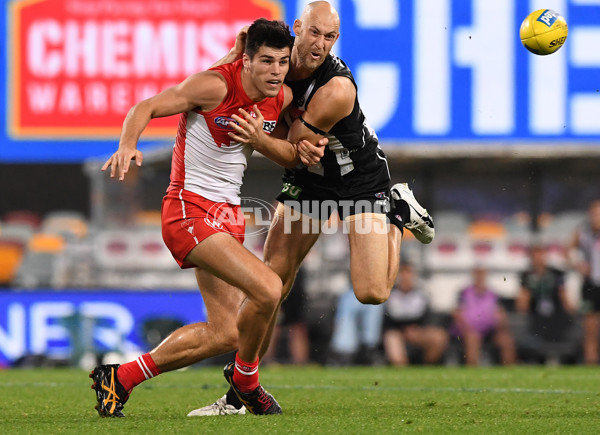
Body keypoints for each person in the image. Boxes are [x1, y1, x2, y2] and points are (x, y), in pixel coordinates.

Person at [190, 1, 435, 416]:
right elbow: (226, 85)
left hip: (359, 180)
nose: (321, 44)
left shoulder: (336, 88)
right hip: (310, 180)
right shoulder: (276, 60)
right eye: (316, 33)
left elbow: (292, 152)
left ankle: (396, 208)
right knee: (271, 286)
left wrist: (255, 134)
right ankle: (240, 393)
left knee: (371, 292)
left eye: (331, 37)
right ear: (298, 27)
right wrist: (234, 58)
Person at [89, 18, 320, 418]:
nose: (276, 71)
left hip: (227, 216)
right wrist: (128, 144)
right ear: (247, 60)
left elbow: (288, 156)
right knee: (269, 287)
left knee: (226, 332)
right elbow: (147, 106)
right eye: (266, 61)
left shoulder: (279, 98)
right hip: (188, 209)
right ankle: (246, 383)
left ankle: (120, 378)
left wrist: (263, 141)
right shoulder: (213, 85)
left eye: (282, 62)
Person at [517, 244, 576, 364]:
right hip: (536, 318)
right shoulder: (527, 275)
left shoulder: (556, 274)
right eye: (535, 256)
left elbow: (564, 298)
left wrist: (572, 313)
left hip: (556, 316)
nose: (538, 259)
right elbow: (522, 305)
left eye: (541, 255)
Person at [382, 262, 448, 366]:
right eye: (403, 274)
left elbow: (427, 316)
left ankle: (426, 366)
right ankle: (402, 369)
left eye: (408, 274)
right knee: (392, 341)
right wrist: (403, 330)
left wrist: (416, 330)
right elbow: (386, 319)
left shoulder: (421, 294)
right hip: (397, 332)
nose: (405, 278)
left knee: (439, 337)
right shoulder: (390, 294)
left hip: (417, 331)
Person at [452, 266, 516, 366]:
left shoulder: (493, 295)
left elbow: (501, 314)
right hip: (470, 330)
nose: (480, 277)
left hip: (490, 331)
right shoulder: (464, 293)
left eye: (482, 274)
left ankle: (510, 372)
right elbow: (458, 314)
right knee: (472, 338)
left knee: (506, 340)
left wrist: (500, 322)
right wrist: (468, 328)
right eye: (478, 274)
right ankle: (472, 372)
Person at [566, 200, 600, 364]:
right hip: (591, 284)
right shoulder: (583, 232)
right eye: (594, 214)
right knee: (590, 327)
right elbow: (568, 251)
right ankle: (591, 361)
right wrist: (577, 264)